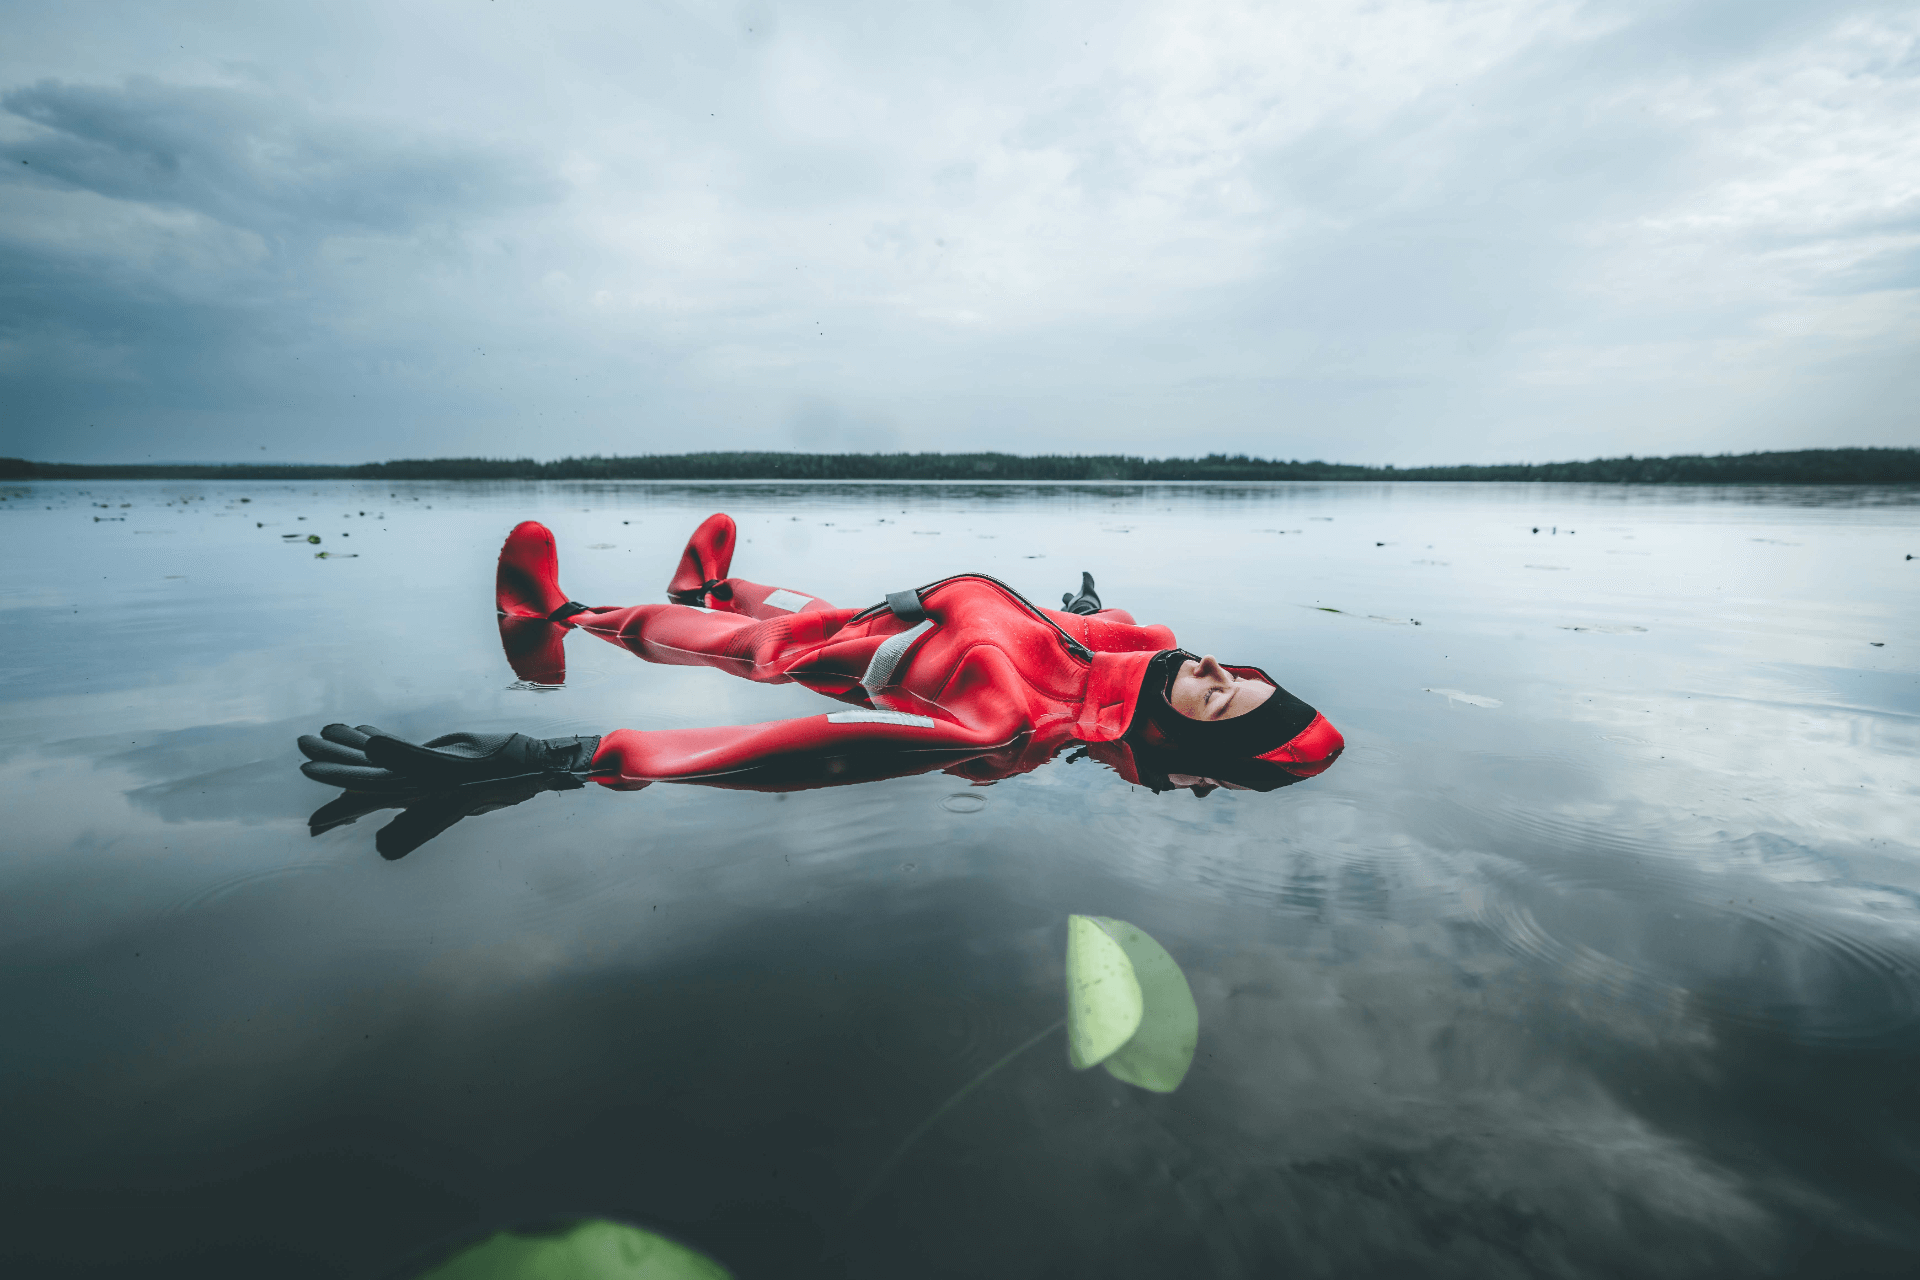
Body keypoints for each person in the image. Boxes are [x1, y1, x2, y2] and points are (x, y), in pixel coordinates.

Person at [299, 515, 1344, 856]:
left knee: (758, 643)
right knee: (792, 601)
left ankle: (554, 616)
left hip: (860, 657)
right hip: (892, 611)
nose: (1215, 668)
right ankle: (710, 579)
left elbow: (805, 757)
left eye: (1216, 696)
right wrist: (1080, 604)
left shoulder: (1005, 718)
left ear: (1174, 731)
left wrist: (568, 758)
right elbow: (1091, 628)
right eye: (1240, 673)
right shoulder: (1143, 635)